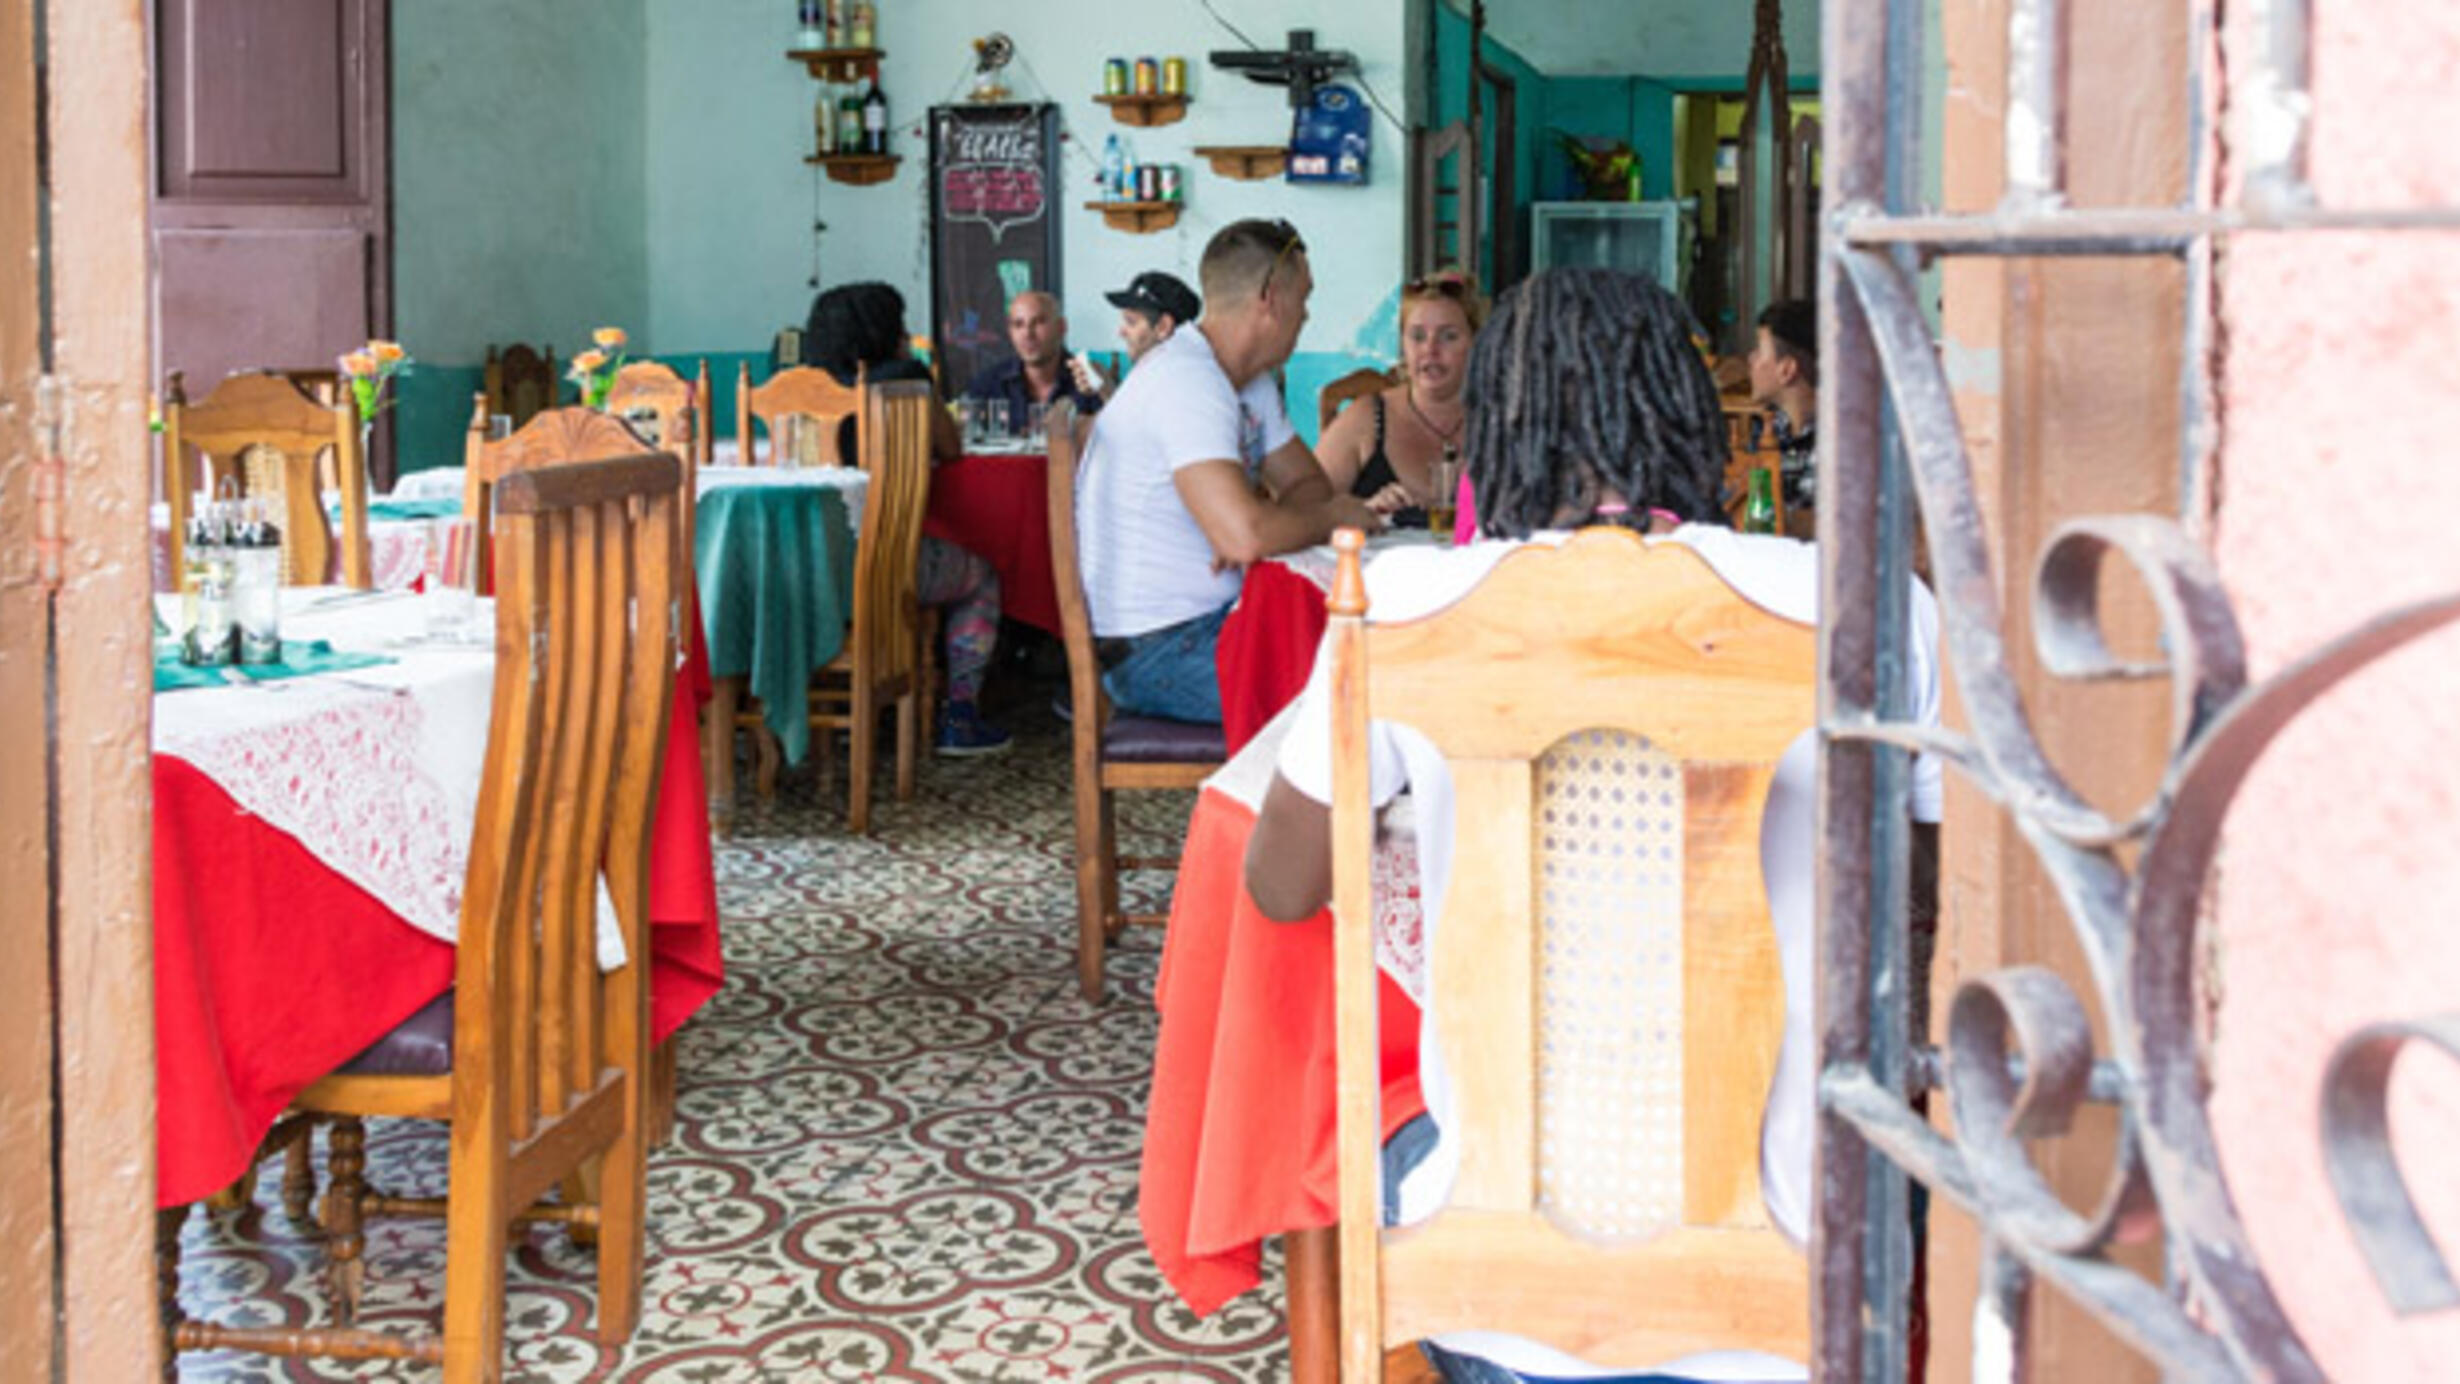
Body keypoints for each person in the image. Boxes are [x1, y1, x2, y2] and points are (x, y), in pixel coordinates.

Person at [1241, 268, 1943, 1384]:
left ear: (1501, 417)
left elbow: (1279, 885)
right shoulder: (1860, 605)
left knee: (1388, 1136)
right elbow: (1932, 889)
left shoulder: (1404, 608)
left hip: (1501, 1307)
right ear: (1691, 411)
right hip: (1795, 1287)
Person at [1075, 218, 1385, 725]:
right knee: (1367, 693)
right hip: (1157, 650)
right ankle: (1297, 805)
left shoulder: (1247, 381)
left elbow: (1307, 484)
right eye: (1303, 297)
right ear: (1271, 298)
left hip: (1213, 622)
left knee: (1374, 660)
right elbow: (1250, 536)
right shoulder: (1186, 380)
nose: (1307, 313)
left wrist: (1261, 524)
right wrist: (1332, 517)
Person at [803, 281, 1011, 756]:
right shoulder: (905, 381)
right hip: (878, 565)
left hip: (807, 568)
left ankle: (819, 716)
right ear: (885, 331)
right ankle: (959, 715)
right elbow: (949, 448)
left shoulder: (800, 387)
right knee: (980, 578)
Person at [1314, 267, 1487, 529]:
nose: (1430, 349)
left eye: (1448, 336)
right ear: (1403, 345)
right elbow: (1305, 511)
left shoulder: (1501, 420)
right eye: (1417, 336)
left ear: (1476, 343)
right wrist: (1362, 511)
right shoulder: (1367, 419)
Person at [963, 289, 1102, 432]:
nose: (1028, 334)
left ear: (1061, 327)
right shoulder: (987, 385)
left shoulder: (1091, 382)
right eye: (1018, 324)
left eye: (1038, 322)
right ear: (1010, 332)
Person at [1064, 270, 1204, 404]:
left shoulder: (1179, 382)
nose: (1121, 332)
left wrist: (1106, 389)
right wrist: (1103, 384)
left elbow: (1133, 427)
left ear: (1163, 326)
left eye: (1131, 322)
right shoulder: (1154, 374)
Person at [1748, 298, 1818, 509]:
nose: (1751, 359)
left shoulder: (1839, 439)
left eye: (1759, 351)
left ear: (1787, 370)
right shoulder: (1761, 428)